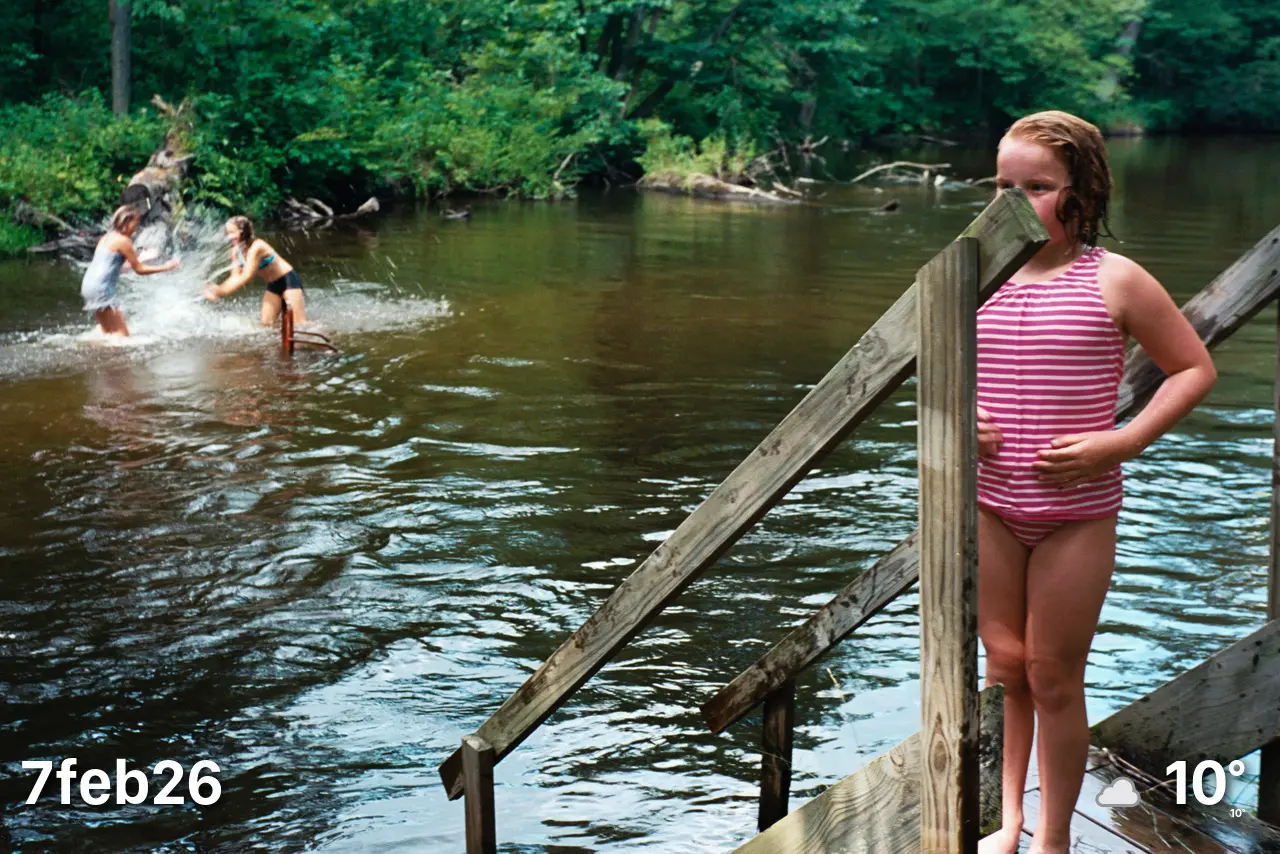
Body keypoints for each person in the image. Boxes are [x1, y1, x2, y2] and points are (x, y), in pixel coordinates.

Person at [976, 111, 1217, 854]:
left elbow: (1193, 368)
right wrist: (960, 416)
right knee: (1004, 667)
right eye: (1003, 186)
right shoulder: (975, 269)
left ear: (1082, 191)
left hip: (1075, 513)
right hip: (989, 503)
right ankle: (1007, 822)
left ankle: (1054, 839)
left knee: (1051, 674)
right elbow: (935, 365)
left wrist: (1124, 440)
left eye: (1037, 187)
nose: (1016, 202)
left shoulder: (1115, 278)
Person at [80, 206, 180, 336]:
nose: (137, 226)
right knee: (123, 337)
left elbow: (117, 269)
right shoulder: (124, 241)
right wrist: (167, 266)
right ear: (126, 222)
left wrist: (141, 258)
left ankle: (91, 346)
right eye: (136, 222)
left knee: (107, 333)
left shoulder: (106, 238)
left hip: (89, 286)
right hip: (102, 289)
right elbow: (140, 270)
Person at [203, 216, 307, 325]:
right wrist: (219, 290)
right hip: (273, 285)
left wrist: (219, 291)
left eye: (232, 233)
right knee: (266, 324)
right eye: (227, 234)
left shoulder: (257, 247)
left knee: (299, 324)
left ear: (243, 232)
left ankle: (317, 330)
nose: (229, 237)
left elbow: (247, 276)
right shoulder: (235, 251)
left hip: (288, 281)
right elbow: (235, 277)